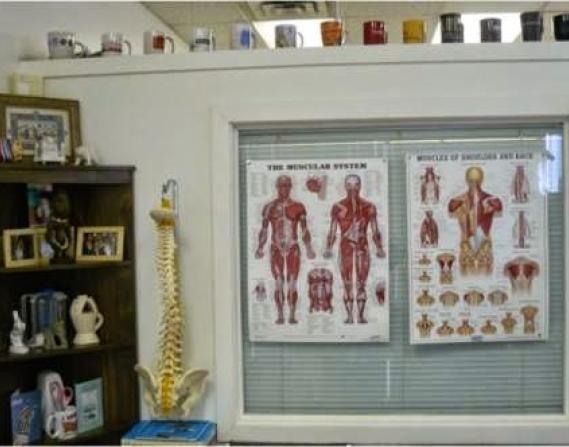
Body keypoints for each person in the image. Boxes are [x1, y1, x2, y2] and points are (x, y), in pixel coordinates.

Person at [324, 174, 385, 324]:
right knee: (347, 283)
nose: (353, 188)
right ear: (345, 186)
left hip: (362, 247)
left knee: (361, 283)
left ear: (360, 186)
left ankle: (361, 316)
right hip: (345, 247)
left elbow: (375, 230)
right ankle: (350, 316)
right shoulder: (337, 207)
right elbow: (332, 230)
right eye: (349, 185)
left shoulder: (369, 207)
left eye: (356, 184)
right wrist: (328, 248)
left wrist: (379, 248)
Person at [255, 175, 316, 325]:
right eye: (282, 186)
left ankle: (292, 315)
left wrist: (309, 248)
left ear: (291, 187)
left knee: (292, 282)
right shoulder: (269, 207)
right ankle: (280, 315)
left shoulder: (298, 207)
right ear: (277, 187)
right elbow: (264, 230)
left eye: (287, 186)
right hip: (276, 247)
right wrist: (260, 247)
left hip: (293, 247)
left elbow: (304, 230)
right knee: (278, 282)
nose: (284, 189)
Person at [448, 166, 502, 275]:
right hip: (466, 246)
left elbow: (499, 206)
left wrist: (486, 201)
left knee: (485, 275)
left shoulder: (490, 199)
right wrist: (463, 201)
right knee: (466, 275)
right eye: (472, 181)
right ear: (467, 181)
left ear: (481, 180)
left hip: (484, 247)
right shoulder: (460, 200)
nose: (474, 184)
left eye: (477, 181)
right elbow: (451, 207)